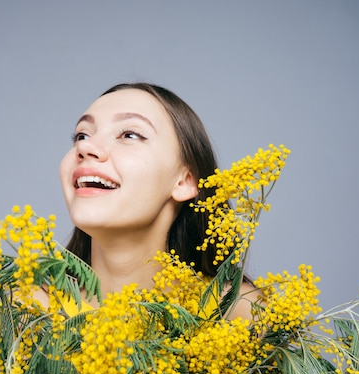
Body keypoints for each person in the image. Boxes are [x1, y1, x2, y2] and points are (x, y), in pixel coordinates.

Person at [38, 82, 258, 320]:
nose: (85, 146)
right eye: (82, 134)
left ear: (184, 181)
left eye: (129, 134)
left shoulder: (241, 313)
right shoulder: (28, 313)